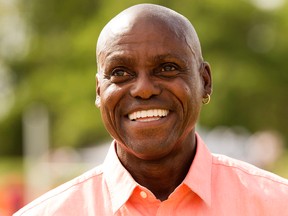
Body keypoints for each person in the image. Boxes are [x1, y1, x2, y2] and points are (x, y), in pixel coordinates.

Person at [14, 3, 288, 216]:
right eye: (120, 73)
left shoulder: (277, 204)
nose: (144, 89)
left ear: (204, 81)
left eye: (167, 68)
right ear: (99, 92)